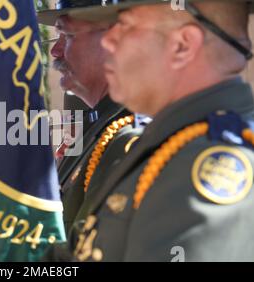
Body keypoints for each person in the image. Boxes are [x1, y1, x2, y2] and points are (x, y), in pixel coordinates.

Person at [62, 0, 254, 261]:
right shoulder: (169, 144)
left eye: (125, 25)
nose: (108, 41)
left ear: (182, 45)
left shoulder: (212, 165)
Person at [38, 0, 143, 233]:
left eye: (66, 34)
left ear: (113, 40)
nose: (55, 51)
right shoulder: (97, 129)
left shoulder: (128, 136)